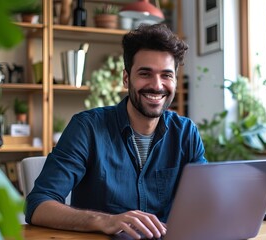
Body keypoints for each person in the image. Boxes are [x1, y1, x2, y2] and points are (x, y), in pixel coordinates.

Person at [25, 23, 207, 239]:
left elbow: (206, 199)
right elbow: (38, 204)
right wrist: (107, 221)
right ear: (126, 78)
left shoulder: (186, 133)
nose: (157, 85)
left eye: (166, 75)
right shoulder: (87, 128)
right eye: (145, 73)